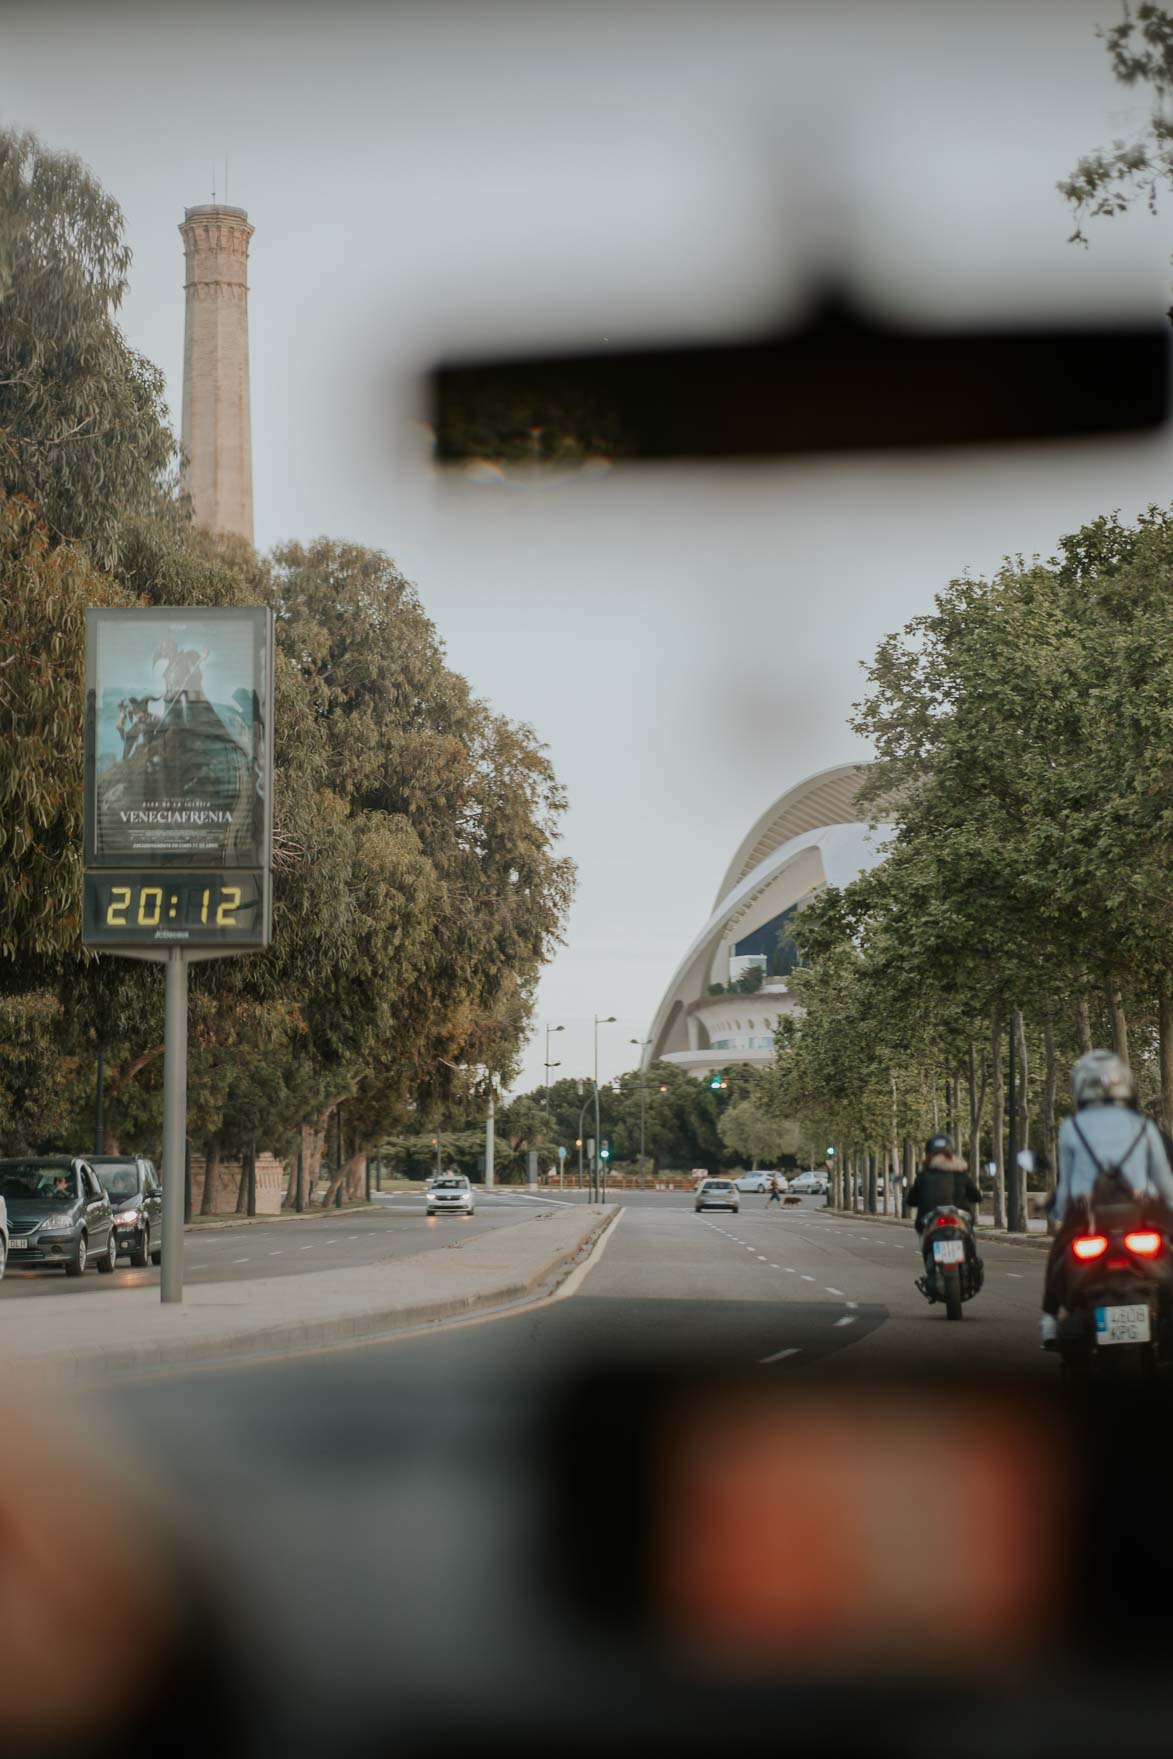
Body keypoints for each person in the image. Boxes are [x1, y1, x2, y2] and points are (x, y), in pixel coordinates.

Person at [1040, 1049, 1173, 1347]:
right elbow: (1165, 1183)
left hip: (1088, 1216)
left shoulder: (1071, 1128)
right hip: (1142, 1215)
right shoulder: (1143, 1125)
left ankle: (1049, 1318)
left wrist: (1059, 1212)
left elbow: (1065, 1192)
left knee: (1059, 1251)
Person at [905, 1133, 983, 1290]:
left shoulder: (924, 1175)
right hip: (959, 1218)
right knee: (970, 1237)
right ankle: (970, 1260)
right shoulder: (961, 1173)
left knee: (924, 1240)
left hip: (929, 1219)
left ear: (928, 1153)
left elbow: (911, 1199)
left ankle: (931, 1268)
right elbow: (976, 1196)